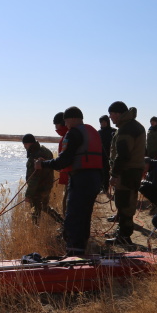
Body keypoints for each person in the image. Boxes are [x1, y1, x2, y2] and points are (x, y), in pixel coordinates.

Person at [36, 106, 103, 255]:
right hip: (94, 179)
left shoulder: (73, 133)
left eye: (66, 121)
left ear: (72, 118)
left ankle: (73, 254)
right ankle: (81, 250)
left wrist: (43, 164)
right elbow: (103, 158)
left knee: (73, 217)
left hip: (81, 179)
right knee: (84, 216)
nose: (65, 124)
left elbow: (62, 162)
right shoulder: (92, 132)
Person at [107, 101, 146, 249]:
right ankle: (122, 234)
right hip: (133, 171)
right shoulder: (133, 125)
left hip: (127, 172)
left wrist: (114, 174)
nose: (111, 118)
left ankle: (124, 237)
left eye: (111, 115)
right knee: (126, 203)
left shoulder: (127, 128)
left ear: (117, 114)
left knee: (124, 204)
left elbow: (123, 155)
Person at [22, 133, 55, 223]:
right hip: (47, 185)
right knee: (44, 207)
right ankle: (62, 222)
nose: (24, 147)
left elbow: (35, 178)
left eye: (25, 144)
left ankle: (35, 231)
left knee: (35, 211)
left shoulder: (35, 156)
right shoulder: (46, 151)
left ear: (29, 143)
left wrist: (28, 195)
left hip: (38, 188)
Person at [53, 112, 70, 214]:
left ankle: (67, 227)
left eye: (56, 125)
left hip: (70, 176)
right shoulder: (66, 135)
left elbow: (64, 160)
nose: (55, 128)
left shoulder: (67, 136)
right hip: (69, 175)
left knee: (67, 202)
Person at [98, 115, 116, 193]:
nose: (103, 123)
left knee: (113, 172)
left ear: (108, 122)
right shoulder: (98, 133)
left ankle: (115, 188)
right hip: (101, 156)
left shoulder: (114, 131)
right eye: (101, 122)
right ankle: (104, 188)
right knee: (102, 173)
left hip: (112, 156)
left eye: (105, 122)